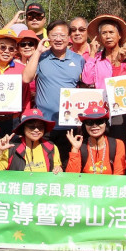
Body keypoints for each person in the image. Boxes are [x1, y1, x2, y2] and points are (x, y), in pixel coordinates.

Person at [22, 20, 84, 165]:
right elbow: (26, 78)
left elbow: (84, 87)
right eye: (54, 35)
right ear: (47, 36)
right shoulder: (40, 57)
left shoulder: (78, 59)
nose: (58, 39)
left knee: (65, 163)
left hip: (69, 126)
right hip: (44, 125)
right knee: (42, 164)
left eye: (62, 35)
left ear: (69, 38)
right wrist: (37, 51)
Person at [0, 108, 62, 173]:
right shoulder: (11, 148)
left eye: (40, 127)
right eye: (31, 127)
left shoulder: (51, 147)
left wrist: (58, 169)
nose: (36, 130)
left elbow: (57, 168)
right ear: (23, 128)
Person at [65, 105, 126, 175]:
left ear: (106, 124)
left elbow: (119, 175)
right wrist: (75, 149)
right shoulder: (80, 145)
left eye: (99, 121)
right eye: (89, 122)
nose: (94, 126)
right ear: (84, 126)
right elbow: (71, 177)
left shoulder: (117, 144)